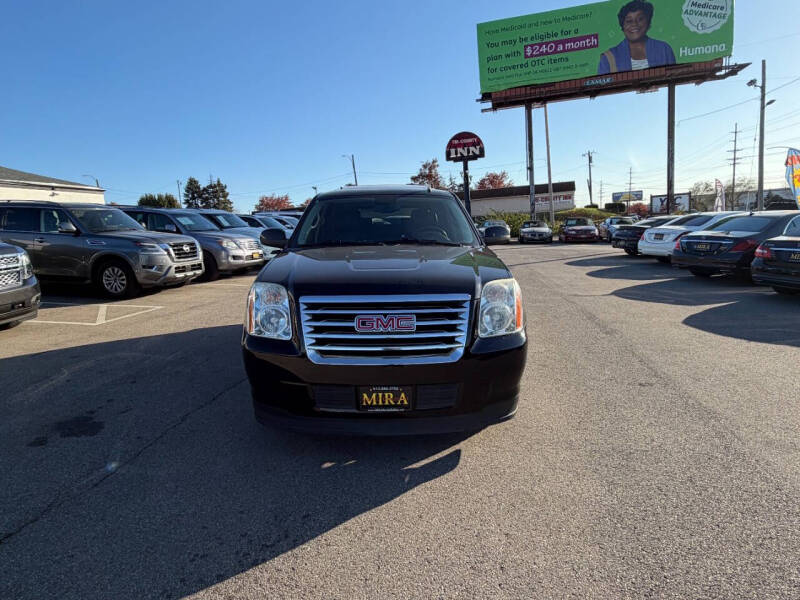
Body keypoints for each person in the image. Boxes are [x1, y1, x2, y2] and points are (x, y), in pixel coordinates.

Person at [598, 0, 676, 74]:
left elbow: (673, 81)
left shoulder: (664, 49)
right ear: (622, 26)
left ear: (648, 22)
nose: (634, 24)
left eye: (640, 19)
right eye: (629, 21)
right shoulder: (608, 58)